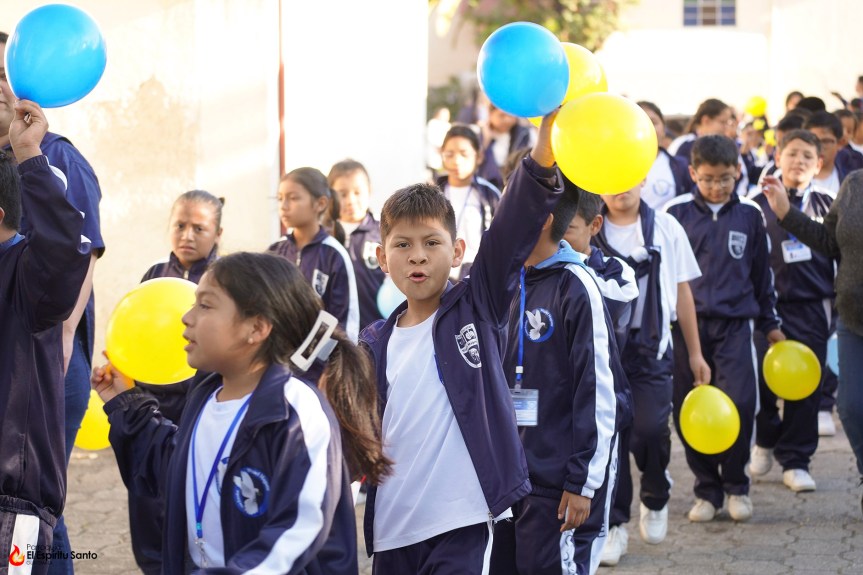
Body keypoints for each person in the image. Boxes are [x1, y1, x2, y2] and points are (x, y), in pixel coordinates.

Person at [93, 252, 390, 573]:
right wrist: (126, 403)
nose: (186, 317)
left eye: (205, 305)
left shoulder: (295, 411)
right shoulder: (206, 397)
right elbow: (177, 468)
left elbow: (298, 528)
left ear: (256, 328)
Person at [359, 113, 562, 574]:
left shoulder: (478, 304)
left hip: (463, 520)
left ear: (458, 251)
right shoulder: (374, 342)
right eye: (402, 244)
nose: (417, 256)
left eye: (432, 242)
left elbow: (513, 226)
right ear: (381, 257)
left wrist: (546, 147)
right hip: (394, 529)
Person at [1, 33, 105, 575]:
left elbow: (78, 250)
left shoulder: (56, 155)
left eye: (2, 74)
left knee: (36, 505)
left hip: (48, 350)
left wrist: (62, 341)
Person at [490, 176, 630, 575]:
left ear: (543, 217)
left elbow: (599, 391)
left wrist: (582, 482)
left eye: (509, 211)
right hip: (506, 477)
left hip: (558, 481)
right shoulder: (498, 278)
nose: (501, 220)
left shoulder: (578, 286)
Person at [665, 135, 785, 524]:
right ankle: (707, 490)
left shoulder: (750, 215)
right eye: (708, 179)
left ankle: (736, 485)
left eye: (726, 179)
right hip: (687, 329)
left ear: (738, 173)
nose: (717, 186)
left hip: (736, 328)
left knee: (740, 405)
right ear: (692, 173)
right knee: (690, 408)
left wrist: (769, 324)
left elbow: (761, 276)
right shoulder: (674, 215)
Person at [593, 178, 708, 567]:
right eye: (610, 178)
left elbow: (682, 291)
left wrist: (695, 353)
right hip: (606, 352)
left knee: (650, 428)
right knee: (610, 440)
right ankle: (613, 523)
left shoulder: (666, 226)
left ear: (642, 178)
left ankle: (656, 493)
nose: (618, 188)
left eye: (626, 177)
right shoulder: (590, 227)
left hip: (654, 349)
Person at [129, 190, 224, 574]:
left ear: (217, 233)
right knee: (146, 496)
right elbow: (134, 329)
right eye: (180, 225)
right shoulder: (154, 276)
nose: (187, 234)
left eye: (199, 228)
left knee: (187, 498)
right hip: (151, 402)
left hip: (197, 408)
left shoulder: (225, 279)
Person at [761, 170, 863, 516]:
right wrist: (786, 213)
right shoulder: (854, 184)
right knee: (850, 407)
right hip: (854, 318)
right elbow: (828, 241)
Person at [748, 130, 835, 492]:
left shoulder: (829, 203)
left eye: (807, 157)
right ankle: (765, 438)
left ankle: (797, 459)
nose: (798, 161)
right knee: (761, 383)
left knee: (805, 385)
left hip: (812, 308)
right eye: (792, 154)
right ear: (778, 157)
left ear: (818, 165)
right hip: (765, 309)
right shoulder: (752, 204)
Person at [269, 167, 359, 341]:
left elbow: (343, 321)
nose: (284, 206)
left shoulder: (334, 254)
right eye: (280, 199)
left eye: (293, 198)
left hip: (321, 364)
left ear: (321, 204)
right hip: (278, 360)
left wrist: (327, 364)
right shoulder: (275, 252)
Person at [563, 182, 639, 350]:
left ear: (595, 225)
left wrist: (568, 263)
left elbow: (604, 309)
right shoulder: (536, 269)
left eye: (567, 228)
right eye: (552, 228)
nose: (557, 238)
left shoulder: (618, 272)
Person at [436, 124, 501, 279]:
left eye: (464, 154)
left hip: (478, 277)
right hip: (440, 278)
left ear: (479, 156)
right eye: (449, 154)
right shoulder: (434, 193)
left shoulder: (489, 194)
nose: (456, 161)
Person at [327, 160, 386, 330]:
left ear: (369, 190)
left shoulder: (383, 233)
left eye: (357, 192)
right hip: (335, 336)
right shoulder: (324, 238)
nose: (350, 200)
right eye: (342, 194)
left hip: (375, 332)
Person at [638, 101, 692, 209]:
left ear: (664, 128)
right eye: (639, 122)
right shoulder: (616, 167)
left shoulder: (681, 166)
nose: (647, 127)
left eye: (653, 122)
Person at [477, 104, 532, 190]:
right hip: (487, 188)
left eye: (510, 115)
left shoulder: (524, 134)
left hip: (514, 187)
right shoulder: (479, 135)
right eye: (501, 115)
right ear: (490, 114)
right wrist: (485, 141)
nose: (507, 120)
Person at [804, 111, 858, 193]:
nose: (820, 147)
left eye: (826, 141)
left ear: (840, 143)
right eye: (814, 141)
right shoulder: (787, 178)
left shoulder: (854, 179)